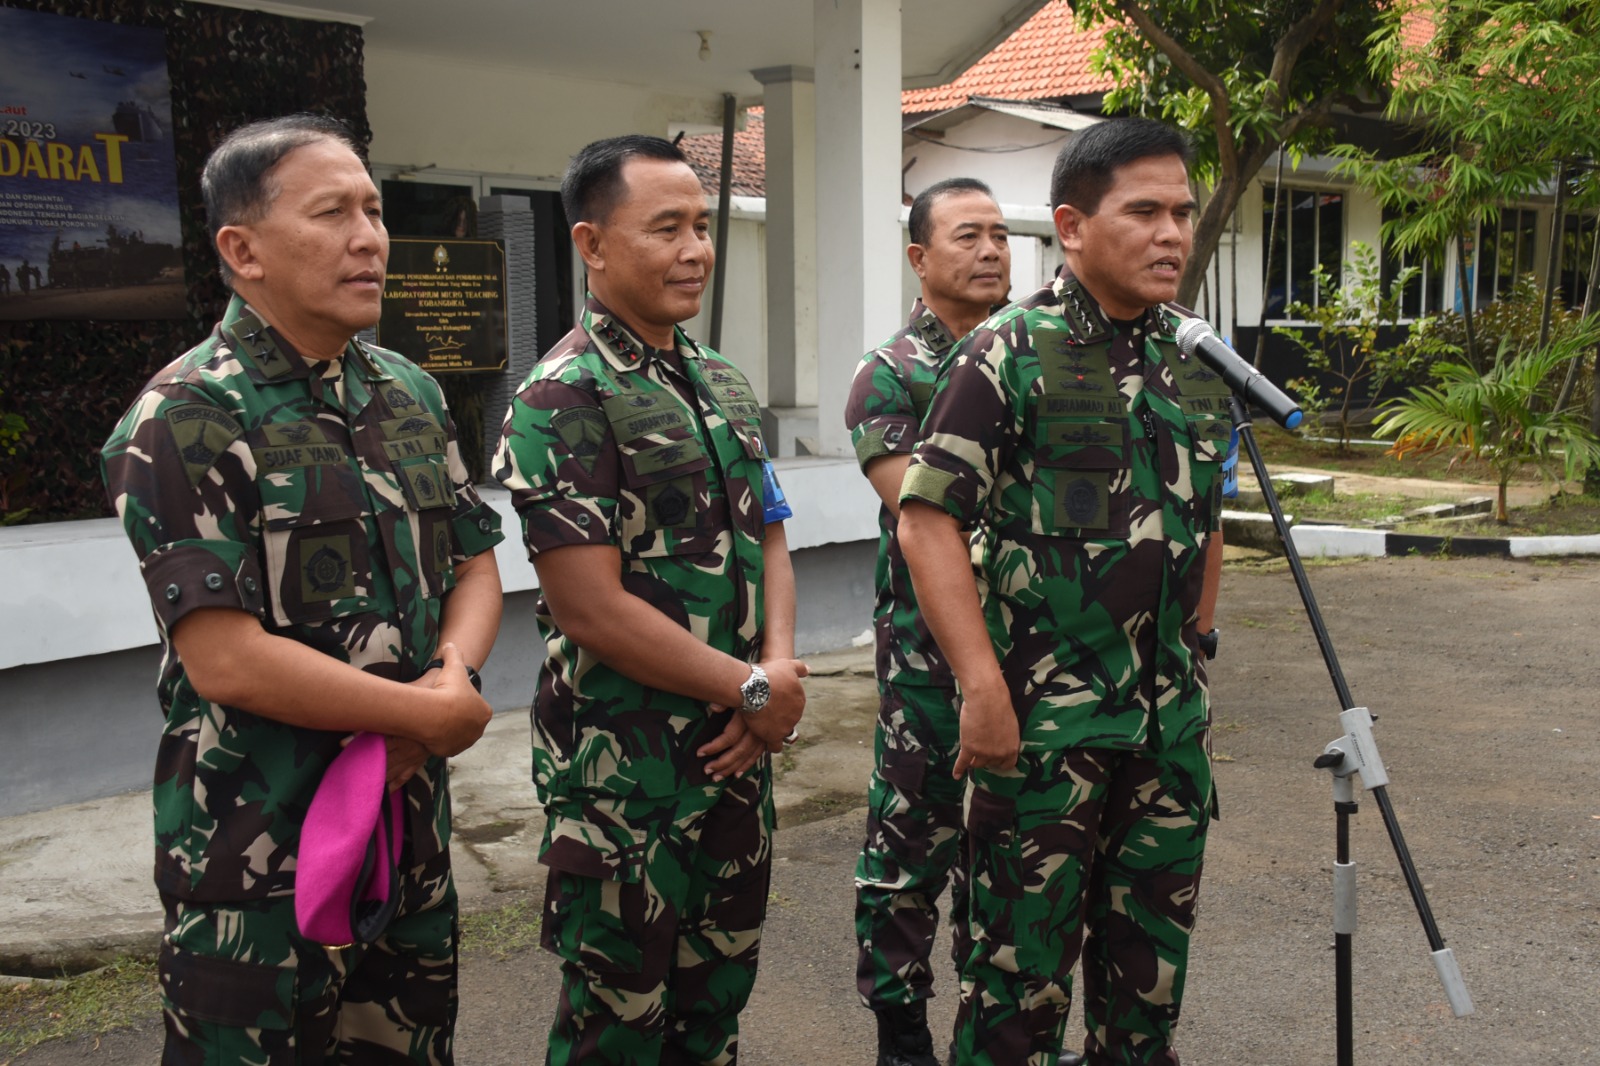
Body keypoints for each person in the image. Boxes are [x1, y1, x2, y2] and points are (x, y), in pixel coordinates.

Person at [100, 114, 504, 1064]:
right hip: (255, 854)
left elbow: (475, 562)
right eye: (332, 213)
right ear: (243, 251)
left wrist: (452, 678)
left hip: (403, 833)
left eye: (373, 209)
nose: (369, 237)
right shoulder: (186, 414)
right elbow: (226, 657)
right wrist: (423, 713)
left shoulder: (409, 388)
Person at [897, 117, 1233, 1066]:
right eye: (1144, 212)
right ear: (1073, 227)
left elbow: (1204, 521)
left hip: (1166, 740)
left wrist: (1196, 656)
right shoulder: (1007, 351)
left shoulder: (1195, 359)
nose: (1172, 234)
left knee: (1147, 1001)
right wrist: (981, 687)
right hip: (1041, 737)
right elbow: (927, 521)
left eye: (1182, 212)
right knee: (1015, 999)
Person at [493, 134, 807, 1065]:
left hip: (734, 753)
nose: (694, 250)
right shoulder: (563, 395)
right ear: (592, 245)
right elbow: (589, 606)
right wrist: (753, 689)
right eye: (665, 228)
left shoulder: (721, 382)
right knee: (617, 1023)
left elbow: (771, 532)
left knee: (716, 1003)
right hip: (624, 776)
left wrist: (777, 669)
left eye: (702, 227)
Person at [845, 177, 1012, 1066]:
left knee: (1009, 854)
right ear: (920, 258)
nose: (991, 251)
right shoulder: (892, 374)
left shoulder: (1032, 357)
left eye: (1000, 234)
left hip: (1029, 659)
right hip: (928, 668)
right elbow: (927, 513)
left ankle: (990, 1026)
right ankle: (901, 1031)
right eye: (967, 236)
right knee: (912, 848)